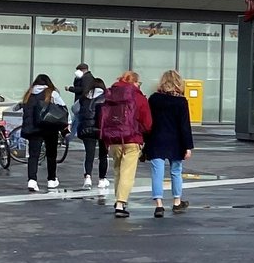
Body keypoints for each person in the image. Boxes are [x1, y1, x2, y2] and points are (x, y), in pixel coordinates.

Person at [98, 71, 152, 218]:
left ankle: (118, 200)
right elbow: (147, 122)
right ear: (134, 82)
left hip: (113, 139)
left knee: (117, 171)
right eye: (138, 83)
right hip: (132, 138)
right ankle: (121, 203)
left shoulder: (111, 95)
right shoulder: (138, 96)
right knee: (127, 173)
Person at [145, 70, 194, 219]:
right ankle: (177, 201)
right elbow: (185, 126)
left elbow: (148, 122)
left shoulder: (154, 99)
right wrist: (188, 146)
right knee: (176, 172)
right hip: (176, 141)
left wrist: (145, 141)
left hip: (156, 139)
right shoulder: (181, 101)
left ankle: (159, 205)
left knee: (157, 173)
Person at [19, 73, 68, 193]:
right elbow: (63, 107)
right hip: (49, 128)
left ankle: (32, 180)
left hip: (33, 129)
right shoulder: (51, 93)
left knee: (33, 155)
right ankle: (51, 180)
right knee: (51, 154)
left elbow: (21, 107)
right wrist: (67, 124)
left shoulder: (28, 94)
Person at [74, 69, 109, 191]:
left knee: (89, 154)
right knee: (103, 155)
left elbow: (74, 109)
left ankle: (87, 178)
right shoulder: (106, 98)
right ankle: (102, 179)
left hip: (86, 129)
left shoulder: (84, 97)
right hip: (102, 129)